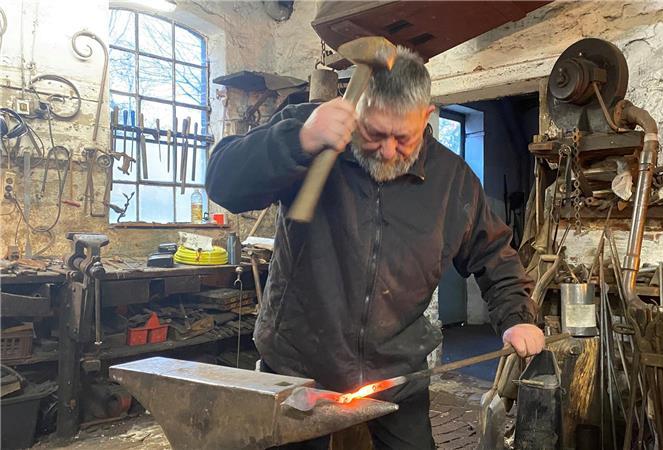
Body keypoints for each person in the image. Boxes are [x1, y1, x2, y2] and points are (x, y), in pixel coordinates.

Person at [205, 46, 545, 450]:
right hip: (299, 367)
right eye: (373, 134)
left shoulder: (451, 180)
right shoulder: (311, 136)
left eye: (403, 138)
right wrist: (298, 139)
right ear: (356, 111)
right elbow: (222, 182)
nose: (387, 151)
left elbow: (495, 255)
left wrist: (518, 316)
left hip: (397, 374)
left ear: (428, 116)